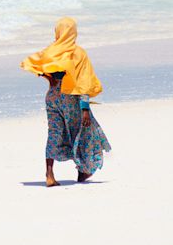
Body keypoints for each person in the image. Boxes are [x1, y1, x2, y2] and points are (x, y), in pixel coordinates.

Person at [20, 17, 111, 187]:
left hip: (52, 97)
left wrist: (48, 77)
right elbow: (83, 82)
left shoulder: (51, 51)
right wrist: (84, 108)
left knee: (54, 133)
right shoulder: (78, 53)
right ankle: (83, 170)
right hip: (71, 98)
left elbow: (30, 63)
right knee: (83, 132)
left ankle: (49, 174)